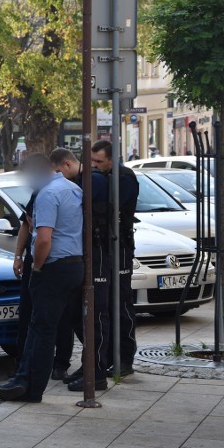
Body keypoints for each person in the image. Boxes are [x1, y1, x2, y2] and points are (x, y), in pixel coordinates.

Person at [0, 154, 84, 403]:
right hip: (75, 265)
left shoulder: (48, 194)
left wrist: (39, 267)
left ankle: (31, 389)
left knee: (41, 329)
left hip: (53, 267)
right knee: (42, 327)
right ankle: (23, 379)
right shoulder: (73, 189)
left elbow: (43, 238)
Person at [50, 148, 112, 391]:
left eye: (58, 173)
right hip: (86, 254)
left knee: (95, 316)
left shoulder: (92, 181)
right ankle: (90, 366)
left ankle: (97, 373)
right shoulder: (83, 181)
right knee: (79, 315)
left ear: (66, 165)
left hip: (97, 254)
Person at [91, 139, 140, 376]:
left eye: (99, 161)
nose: (95, 165)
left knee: (121, 303)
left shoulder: (124, 177)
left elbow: (111, 205)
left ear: (111, 159)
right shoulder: (103, 176)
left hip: (120, 247)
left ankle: (125, 359)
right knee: (105, 305)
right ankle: (108, 357)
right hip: (106, 247)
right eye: (92, 161)